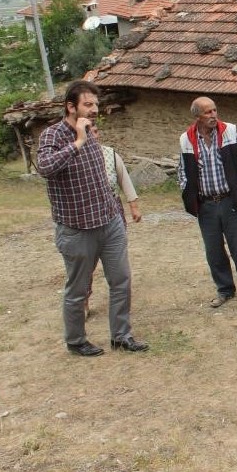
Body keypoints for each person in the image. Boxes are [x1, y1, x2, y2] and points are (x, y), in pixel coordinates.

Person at [36, 80, 148, 356]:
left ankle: (121, 335)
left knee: (121, 280)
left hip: (108, 223)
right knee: (78, 289)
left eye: (96, 104)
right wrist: (78, 142)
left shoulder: (92, 134)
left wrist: (117, 214)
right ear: (70, 106)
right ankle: (76, 341)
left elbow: (101, 180)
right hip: (76, 228)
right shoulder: (53, 135)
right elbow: (46, 168)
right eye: (88, 104)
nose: (95, 109)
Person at [178, 97, 237, 308]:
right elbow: (183, 171)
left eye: (215, 111)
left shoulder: (229, 132)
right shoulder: (186, 139)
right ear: (197, 116)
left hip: (230, 200)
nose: (213, 115)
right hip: (206, 205)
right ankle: (225, 289)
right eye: (208, 112)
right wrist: (187, 190)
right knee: (214, 251)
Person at [85, 124, 141, 318]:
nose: (93, 134)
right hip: (86, 215)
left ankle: (120, 303)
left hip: (112, 210)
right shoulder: (73, 156)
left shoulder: (110, 154)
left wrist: (133, 206)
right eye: (88, 131)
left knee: (116, 258)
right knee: (86, 261)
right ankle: (84, 298)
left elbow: (124, 179)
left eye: (96, 130)